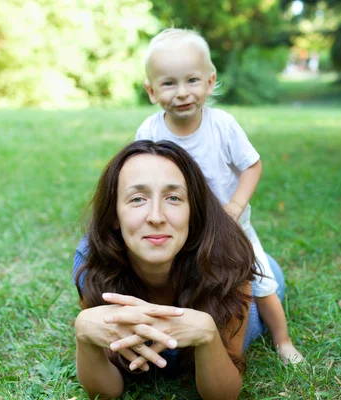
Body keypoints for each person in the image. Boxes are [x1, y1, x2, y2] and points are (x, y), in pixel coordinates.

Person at [136, 28, 304, 364]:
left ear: (210, 82)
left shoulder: (222, 126)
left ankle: (282, 340)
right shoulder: (150, 131)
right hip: (180, 231)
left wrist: (236, 206)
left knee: (261, 282)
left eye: (192, 80)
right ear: (152, 91)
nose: (182, 93)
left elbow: (252, 166)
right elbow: (137, 176)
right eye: (169, 83)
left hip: (231, 229)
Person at [73, 140, 286, 399]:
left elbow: (222, 395)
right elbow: (106, 393)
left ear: (192, 210)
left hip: (246, 290)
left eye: (173, 198)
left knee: (268, 274)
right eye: (137, 199)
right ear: (114, 214)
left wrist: (207, 333)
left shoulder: (229, 262)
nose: (156, 216)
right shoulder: (94, 258)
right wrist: (83, 332)